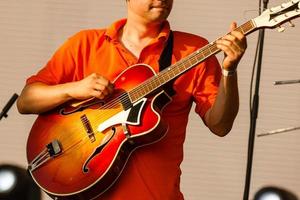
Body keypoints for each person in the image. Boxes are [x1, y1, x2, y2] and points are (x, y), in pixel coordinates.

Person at [17, 0, 247, 199]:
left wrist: (230, 71)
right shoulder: (85, 44)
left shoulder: (194, 51)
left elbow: (221, 125)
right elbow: (26, 100)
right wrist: (74, 89)